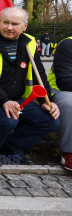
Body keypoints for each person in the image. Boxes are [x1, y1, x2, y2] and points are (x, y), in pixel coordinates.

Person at [0, 7, 60, 166]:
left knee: (51, 121)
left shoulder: (29, 42)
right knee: (9, 121)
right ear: (0, 23)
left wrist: (47, 101)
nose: (9, 27)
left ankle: (11, 148)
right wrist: (5, 100)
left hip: (22, 99)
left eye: (14, 23)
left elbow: (39, 75)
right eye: (5, 22)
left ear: (25, 26)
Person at [47, 36, 72, 171]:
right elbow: (65, 81)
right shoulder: (68, 44)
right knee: (69, 103)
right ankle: (69, 152)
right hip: (63, 91)